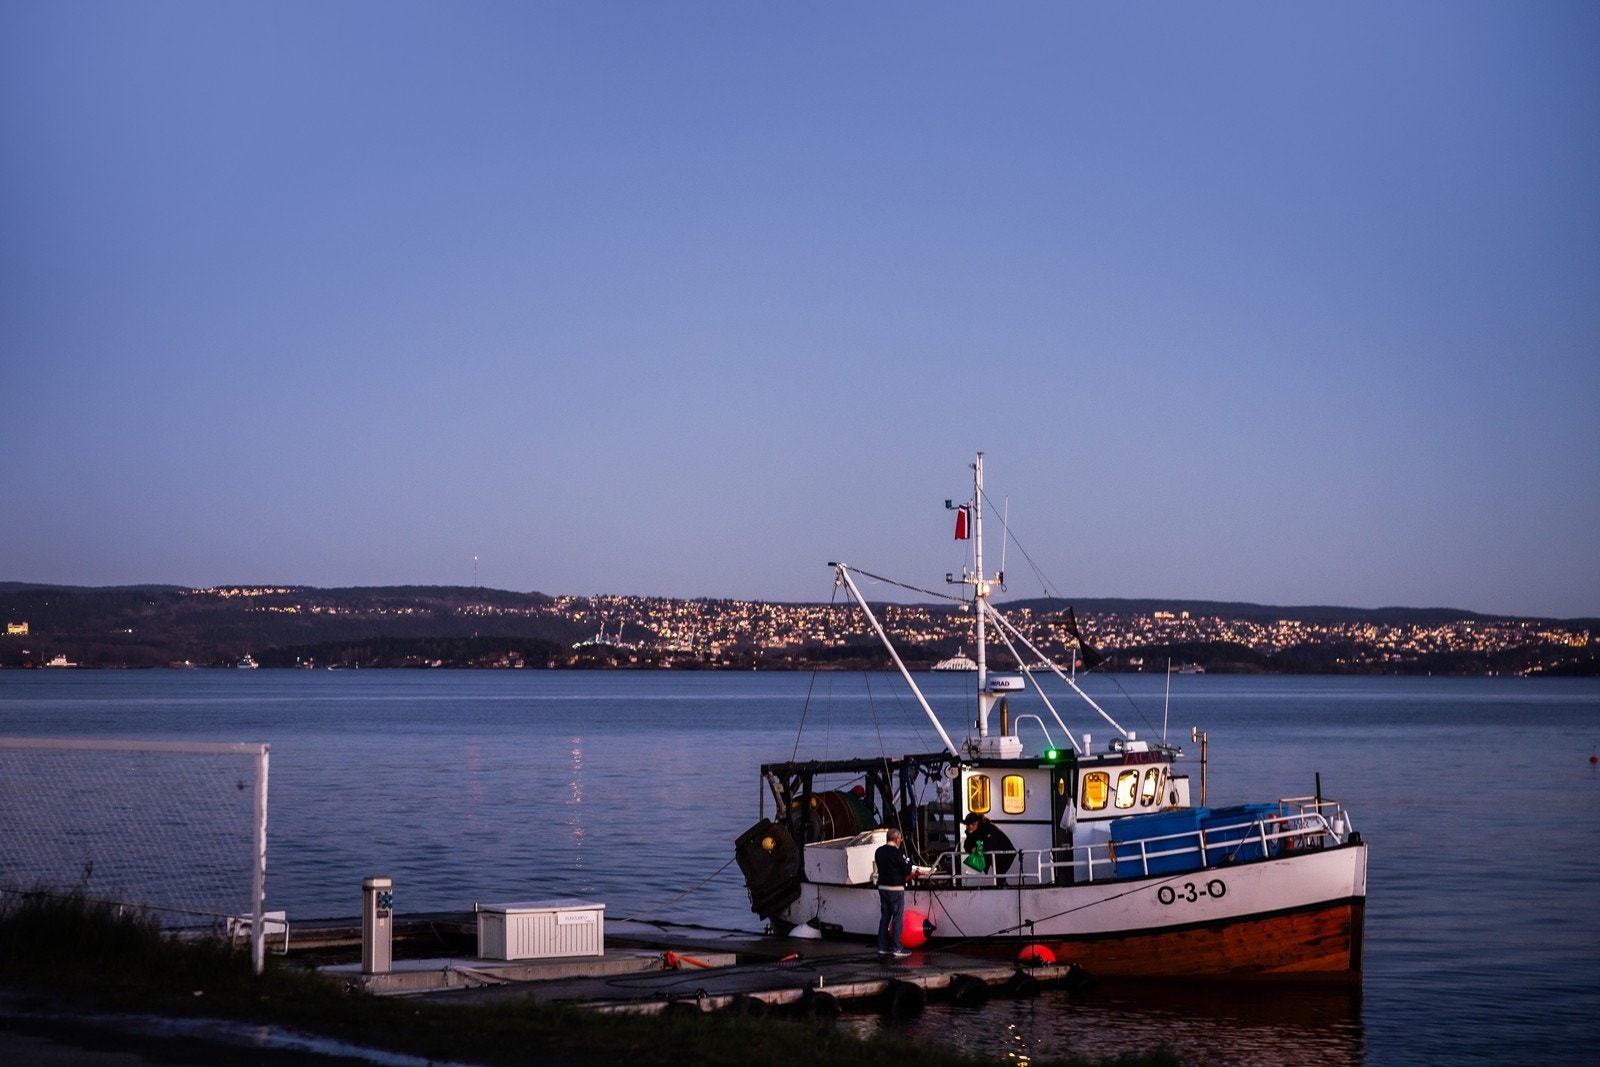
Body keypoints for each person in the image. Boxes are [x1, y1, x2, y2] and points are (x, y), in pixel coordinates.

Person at [874, 827, 916, 958]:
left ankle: (882, 947)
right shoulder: (898, 853)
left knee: (885, 917)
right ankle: (896, 948)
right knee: (897, 918)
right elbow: (907, 868)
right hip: (896, 889)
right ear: (897, 839)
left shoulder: (879, 851)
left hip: (882, 888)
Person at [963, 813, 1016, 886]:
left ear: (975, 824)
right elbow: (967, 845)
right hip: (996, 853)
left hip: (1006, 853)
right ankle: (1001, 886)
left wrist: (976, 849)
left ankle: (1002, 887)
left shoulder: (989, 828)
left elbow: (989, 846)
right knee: (998, 874)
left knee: (999, 873)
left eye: (969, 825)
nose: (967, 827)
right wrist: (971, 847)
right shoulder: (974, 831)